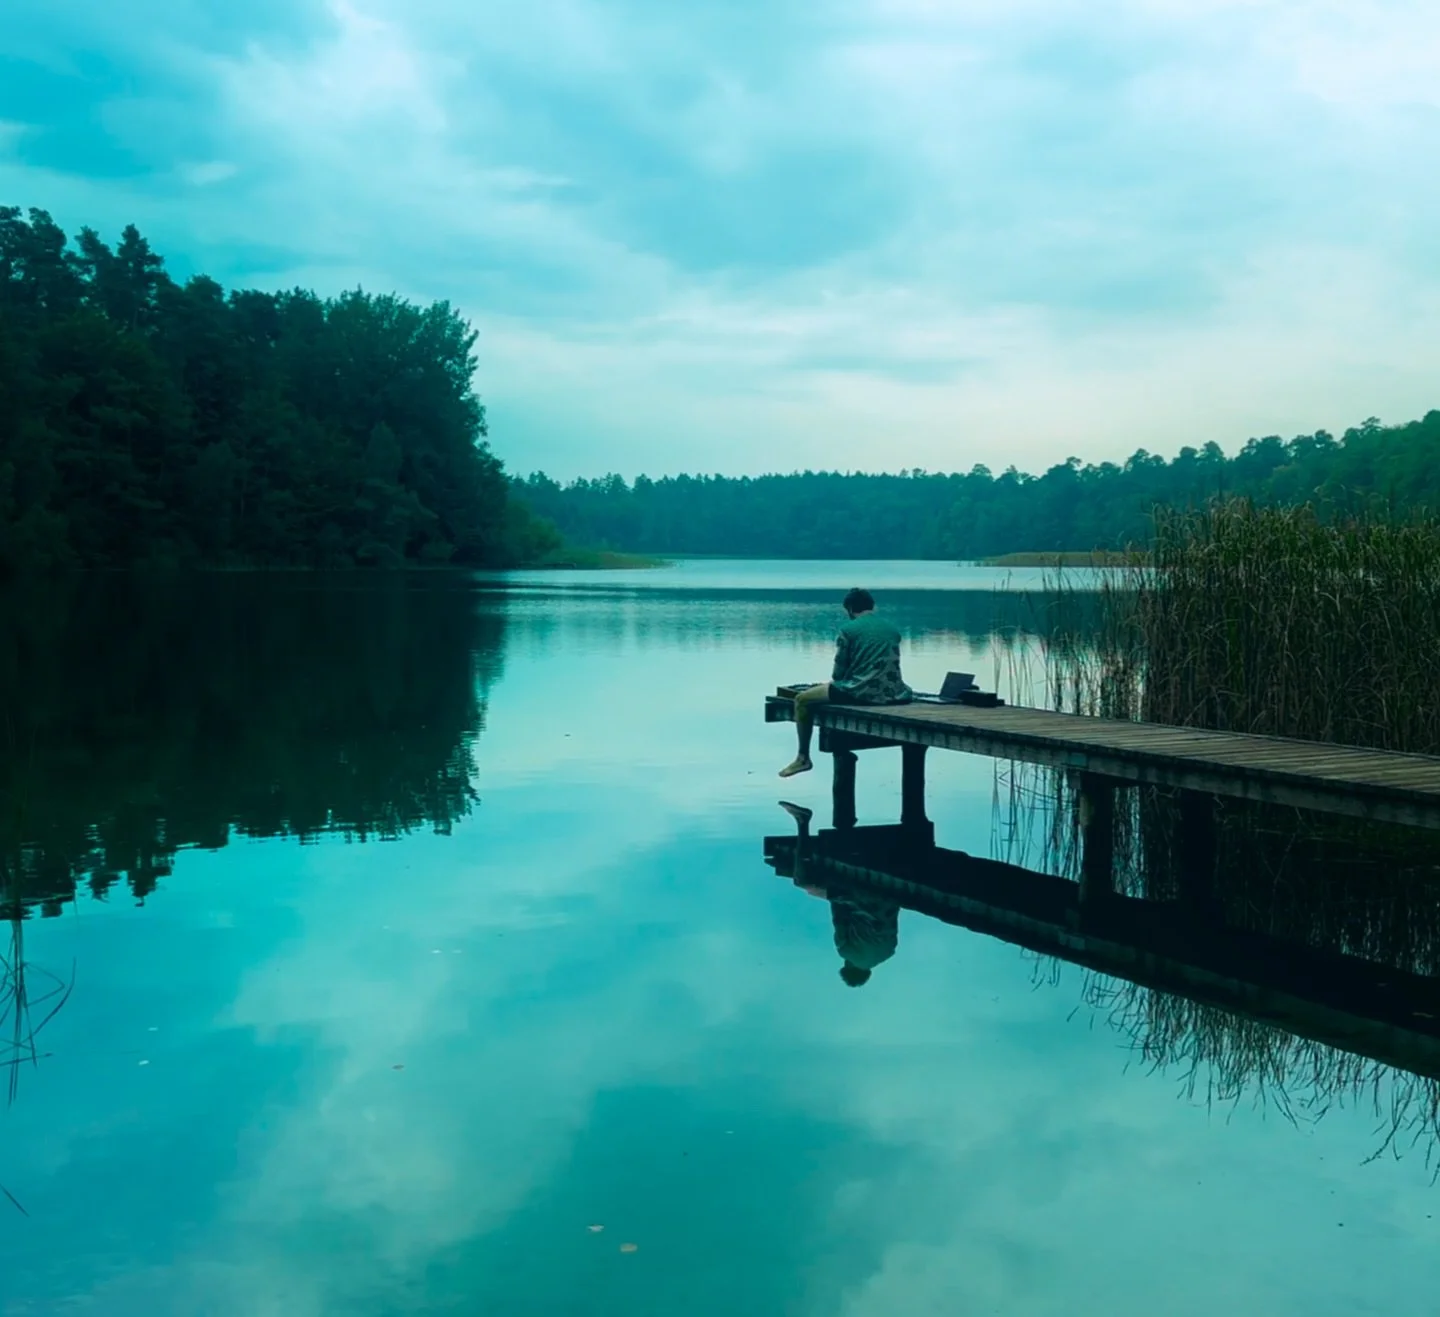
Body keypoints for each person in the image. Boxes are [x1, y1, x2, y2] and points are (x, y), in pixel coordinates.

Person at [779, 587, 912, 778]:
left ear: (850, 608)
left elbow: (838, 674)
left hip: (859, 692)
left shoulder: (848, 630)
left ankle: (803, 758)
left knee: (801, 699)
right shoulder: (892, 630)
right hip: (893, 694)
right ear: (872, 606)